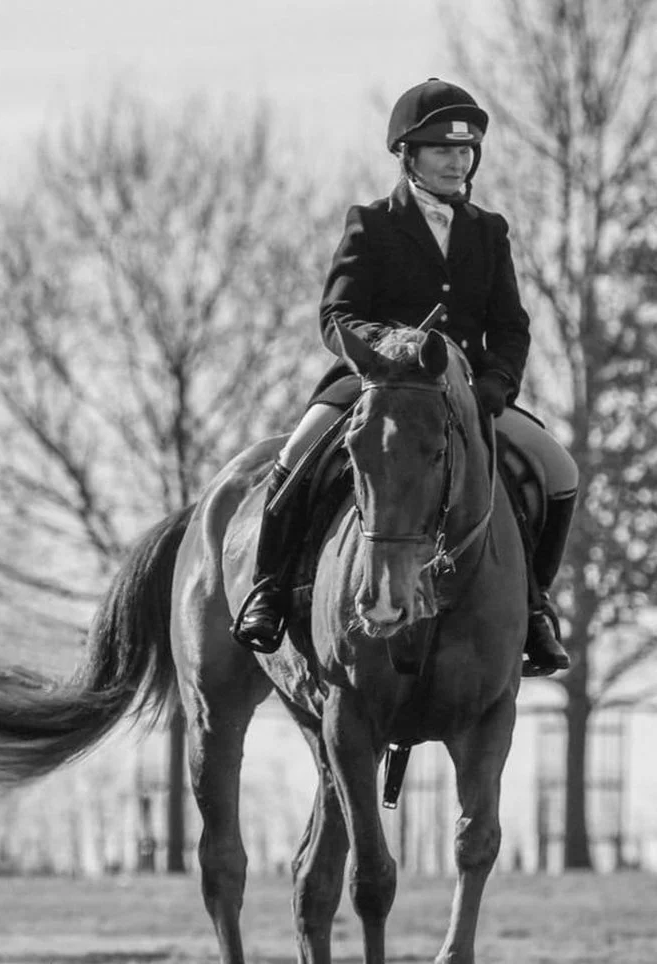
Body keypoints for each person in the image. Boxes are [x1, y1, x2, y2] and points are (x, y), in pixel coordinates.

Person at [231, 78, 579, 676]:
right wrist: (384, 351)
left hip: (466, 393)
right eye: (442, 149)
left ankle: (536, 607)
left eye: (465, 150)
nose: (457, 160)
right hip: (372, 385)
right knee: (292, 456)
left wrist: (497, 384)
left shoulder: (489, 231)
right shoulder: (371, 223)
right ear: (408, 156)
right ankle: (267, 588)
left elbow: (511, 326)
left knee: (558, 471)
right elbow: (335, 316)